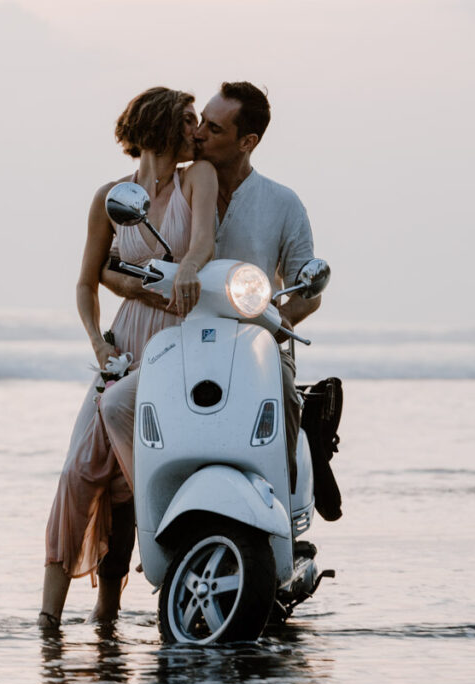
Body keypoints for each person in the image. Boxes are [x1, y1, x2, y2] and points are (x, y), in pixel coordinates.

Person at [38, 87, 218, 628]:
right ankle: (48, 616)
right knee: (80, 472)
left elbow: (203, 238)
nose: (198, 130)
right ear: (162, 125)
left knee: (136, 476)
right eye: (189, 120)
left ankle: (111, 607)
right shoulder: (111, 195)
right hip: (125, 342)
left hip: (178, 340)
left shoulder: (198, 179)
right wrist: (98, 343)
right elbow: (87, 281)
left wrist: (188, 268)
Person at [104, 81, 321, 492]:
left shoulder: (283, 202)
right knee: (117, 405)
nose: (199, 132)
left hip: (253, 343)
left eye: (215, 129)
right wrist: (137, 289)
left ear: (248, 141)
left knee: (287, 398)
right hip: (181, 339)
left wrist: (270, 324)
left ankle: (283, 504)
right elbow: (117, 266)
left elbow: (308, 291)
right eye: (200, 121)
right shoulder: (178, 188)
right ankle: (151, 507)